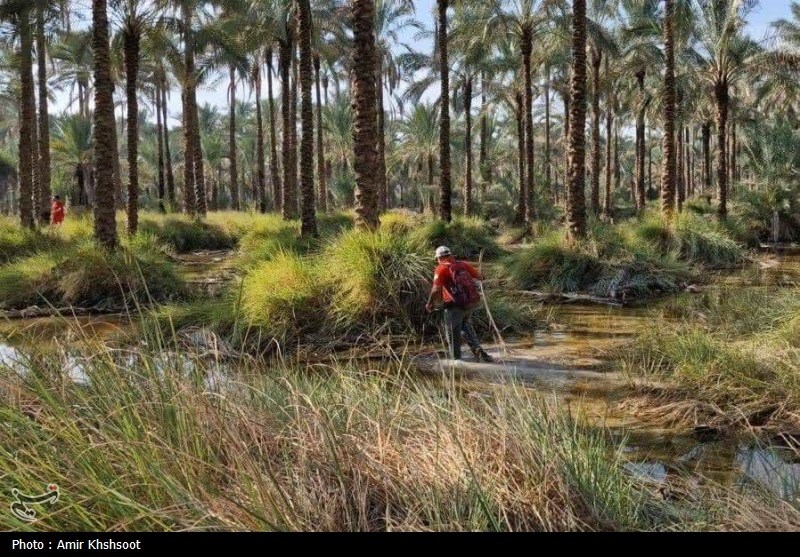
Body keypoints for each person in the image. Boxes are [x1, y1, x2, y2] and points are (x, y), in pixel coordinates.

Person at [425, 245, 493, 362]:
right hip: (469, 304)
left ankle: (455, 361)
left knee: (452, 334)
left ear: (439, 258)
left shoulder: (441, 269)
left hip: (454, 306)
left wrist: (429, 303)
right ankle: (480, 353)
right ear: (450, 255)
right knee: (465, 327)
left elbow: (436, 289)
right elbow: (481, 277)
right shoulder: (463, 264)